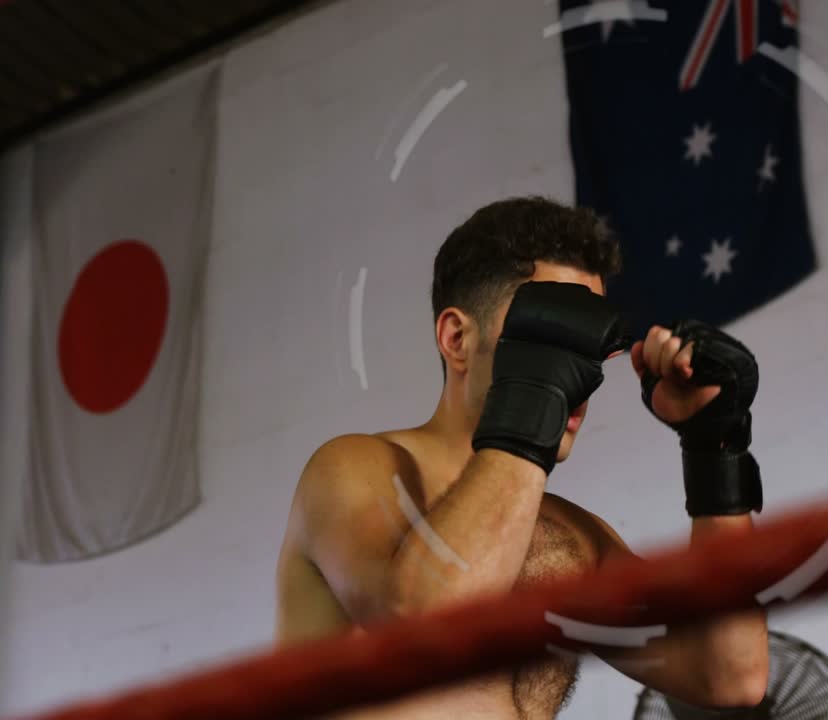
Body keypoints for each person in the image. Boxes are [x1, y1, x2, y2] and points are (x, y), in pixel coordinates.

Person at [275, 196, 769, 719]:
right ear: (456, 339)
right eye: (553, 335)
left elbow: (729, 675)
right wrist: (534, 401)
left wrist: (714, 450)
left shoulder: (573, 537)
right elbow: (423, 637)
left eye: (587, 344)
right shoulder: (355, 469)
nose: (580, 374)